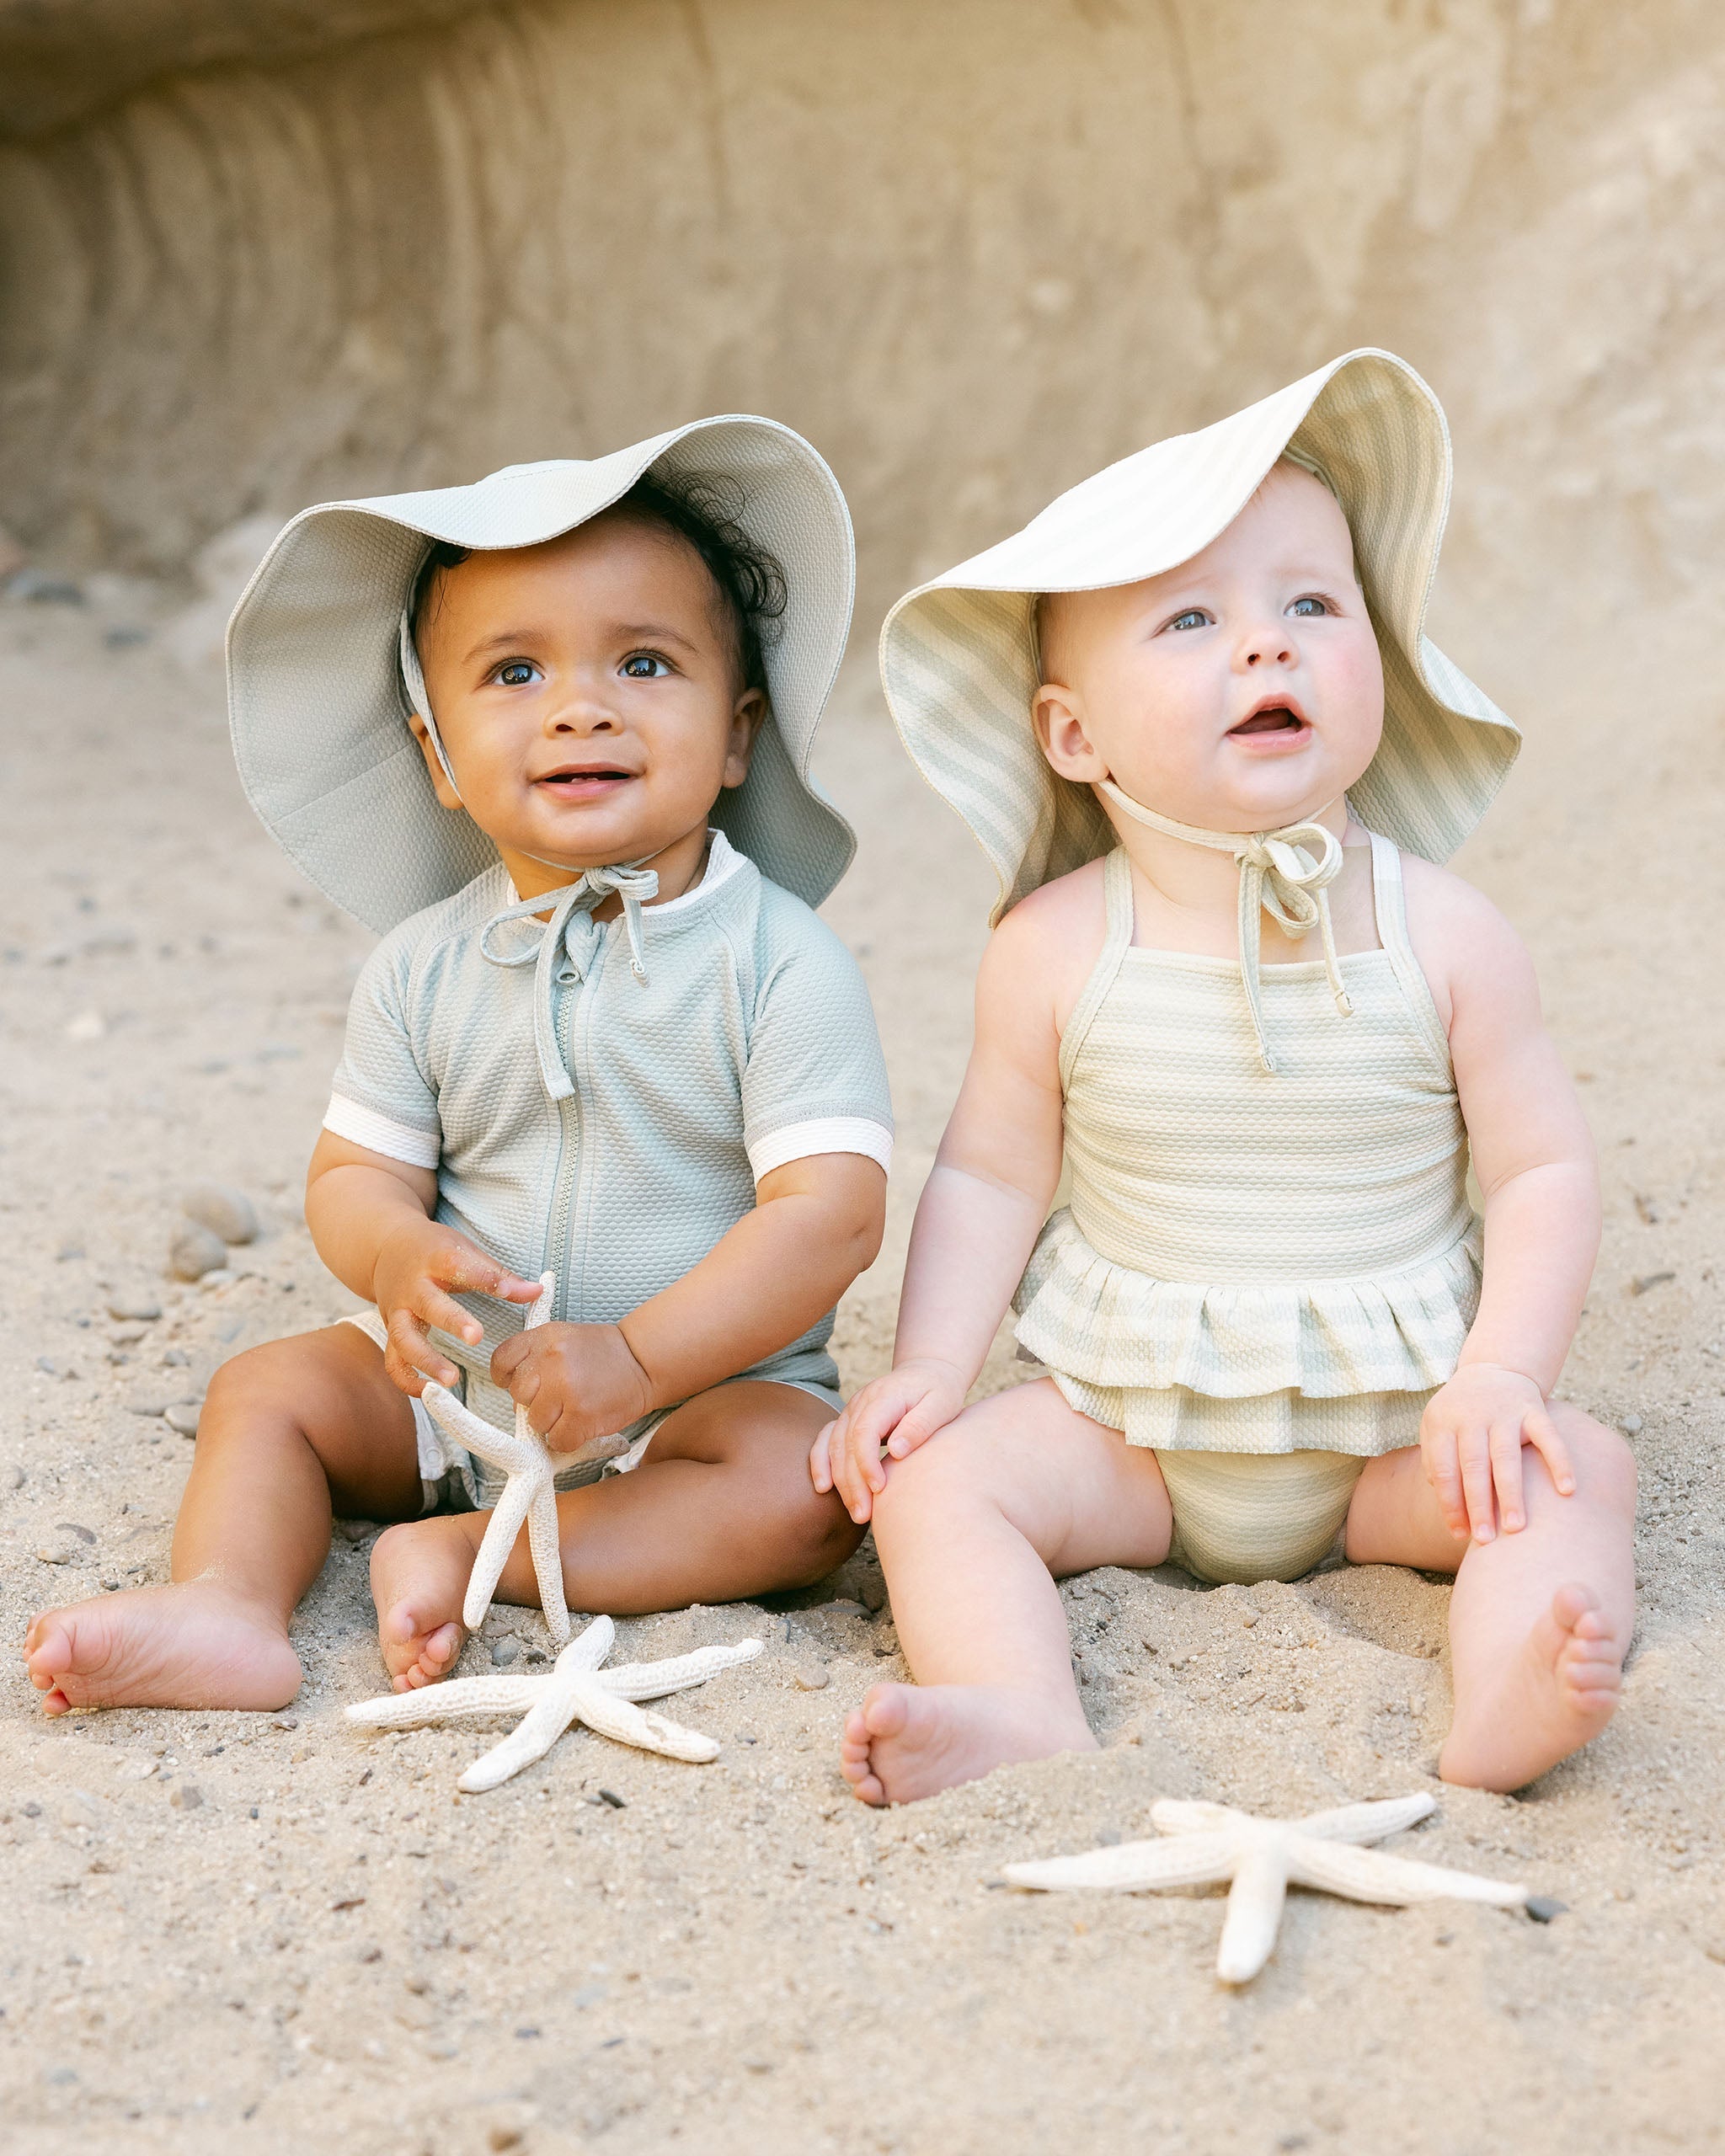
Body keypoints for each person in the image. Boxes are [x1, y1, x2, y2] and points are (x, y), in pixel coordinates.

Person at [814, 350, 1634, 1804]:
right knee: (937, 1489)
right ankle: (1012, 1703)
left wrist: (1501, 1375)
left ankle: (1508, 1693)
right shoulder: (1055, 946)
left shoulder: (1446, 934)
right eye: (1192, 620)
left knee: (1575, 1469)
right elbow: (990, 1173)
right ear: (1073, 734)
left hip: (1394, 1439)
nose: (1269, 649)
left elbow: (1541, 1170)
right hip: (1131, 1436)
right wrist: (932, 1368)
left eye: (1313, 605)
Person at [27, 419, 891, 1713]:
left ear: (737, 734)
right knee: (268, 1390)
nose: (582, 705)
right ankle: (225, 1603)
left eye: (645, 662)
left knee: (803, 1492)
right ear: (437, 755)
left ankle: (483, 1556)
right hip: (456, 1393)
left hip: (699, 1401)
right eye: (515, 672)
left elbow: (831, 1217)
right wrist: (391, 1256)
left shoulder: (779, 959)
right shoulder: (423, 964)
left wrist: (642, 1361)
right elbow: (354, 1175)